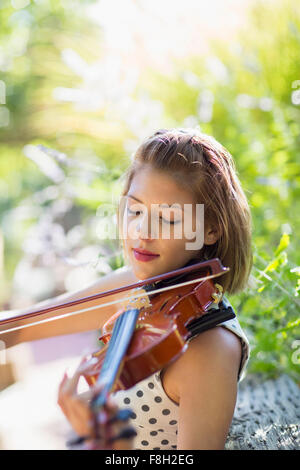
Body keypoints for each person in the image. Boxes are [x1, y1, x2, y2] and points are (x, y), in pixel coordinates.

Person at [57, 128, 253, 450]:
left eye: (168, 219)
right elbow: (23, 325)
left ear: (212, 229)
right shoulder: (138, 288)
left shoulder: (210, 351)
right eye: (135, 211)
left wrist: (108, 443)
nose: (141, 232)